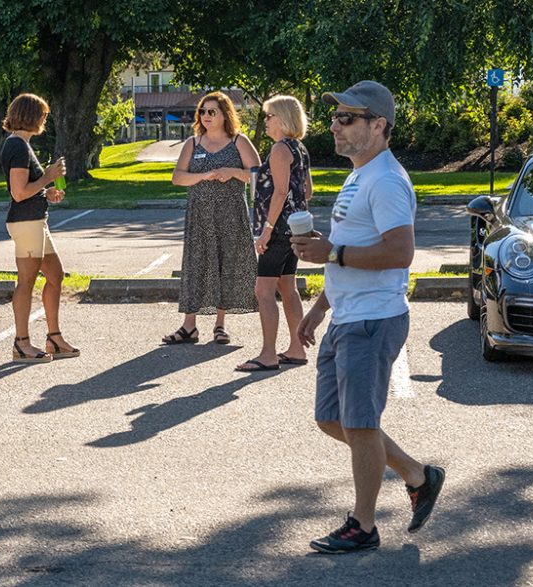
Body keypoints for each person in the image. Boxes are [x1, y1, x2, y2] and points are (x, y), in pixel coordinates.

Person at [291, 81, 445, 554]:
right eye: (335, 117)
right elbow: (348, 252)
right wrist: (318, 309)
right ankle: (419, 475)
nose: (335, 125)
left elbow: (400, 252)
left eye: (347, 118)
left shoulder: (386, 180)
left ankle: (364, 525)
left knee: (359, 425)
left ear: (378, 125)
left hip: (374, 320)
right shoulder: (359, 174)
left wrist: (331, 253)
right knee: (332, 419)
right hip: (347, 316)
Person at [164, 91, 260, 345]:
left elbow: (257, 173)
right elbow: (177, 178)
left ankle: (220, 325)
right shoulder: (192, 143)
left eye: (211, 112)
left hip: (231, 213)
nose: (205, 116)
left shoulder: (239, 141)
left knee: (226, 266)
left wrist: (233, 172)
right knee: (195, 266)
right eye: (202, 111)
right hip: (199, 215)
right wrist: (203, 176)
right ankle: (189, 326)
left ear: (224, 114)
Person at [0, 93, 79, 363]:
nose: (45, 120)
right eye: (43, 115)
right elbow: (18, 193)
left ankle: (54, 337)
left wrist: (47, 192)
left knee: (55, 275)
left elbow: (27, 191)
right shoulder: (17, 147)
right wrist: (48, 176)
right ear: (31, 116)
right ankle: (21, 343)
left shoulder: (22, 144)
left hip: (35, 221)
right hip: (26, 223)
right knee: (27, 282)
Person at [236, 96, 313, 372]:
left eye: (269, 116)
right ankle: (296, 348)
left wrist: (266, 231)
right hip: (293, 230)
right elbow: (307, 192)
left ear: (281, 119)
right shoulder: (299, 147)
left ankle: (268, 355)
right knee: (286, 286)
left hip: (278, 231)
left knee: (263, 289)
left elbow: (281, 191)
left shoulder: (280, 149)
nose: (265, 121)